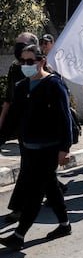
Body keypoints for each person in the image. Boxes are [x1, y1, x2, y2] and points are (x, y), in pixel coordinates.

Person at [0, 44, 72, 250]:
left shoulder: (54, 85)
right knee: (50, 186)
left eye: (30, 61)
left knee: (35, 191)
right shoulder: (22, 87)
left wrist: (64, 147)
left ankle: (19, 235)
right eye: (22, 62)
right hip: (29, 148)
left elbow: (64, 117)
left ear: (41, 62)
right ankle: (65, 224)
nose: (25, 65)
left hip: (49, 149)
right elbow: (13, 118)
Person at [0, 32, 39, 223]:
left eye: (21, 44)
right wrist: (2, 121)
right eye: (16, 44)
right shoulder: (15, 69)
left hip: (41, 128)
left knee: (31, 168)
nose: (17, 48)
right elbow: (9, 97)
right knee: (32, 167)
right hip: (22, 126)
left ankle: (19, 209)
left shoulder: (43, 70)